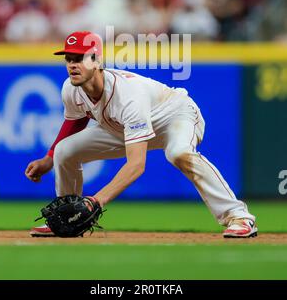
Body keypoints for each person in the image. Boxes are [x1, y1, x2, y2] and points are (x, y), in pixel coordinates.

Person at [25, 30, 257, 238]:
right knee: (65, 151)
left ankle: (238, 216)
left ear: (97, 61)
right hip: (122, 127)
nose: (73, 65)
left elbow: (137, 165)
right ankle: (66, 218)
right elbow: (74, 123)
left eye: (80, 58)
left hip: (174, 116)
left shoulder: (127, 96)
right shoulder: (70, 88)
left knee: (178, 153)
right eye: (69, 59)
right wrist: (49, 157)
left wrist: (97, 200)